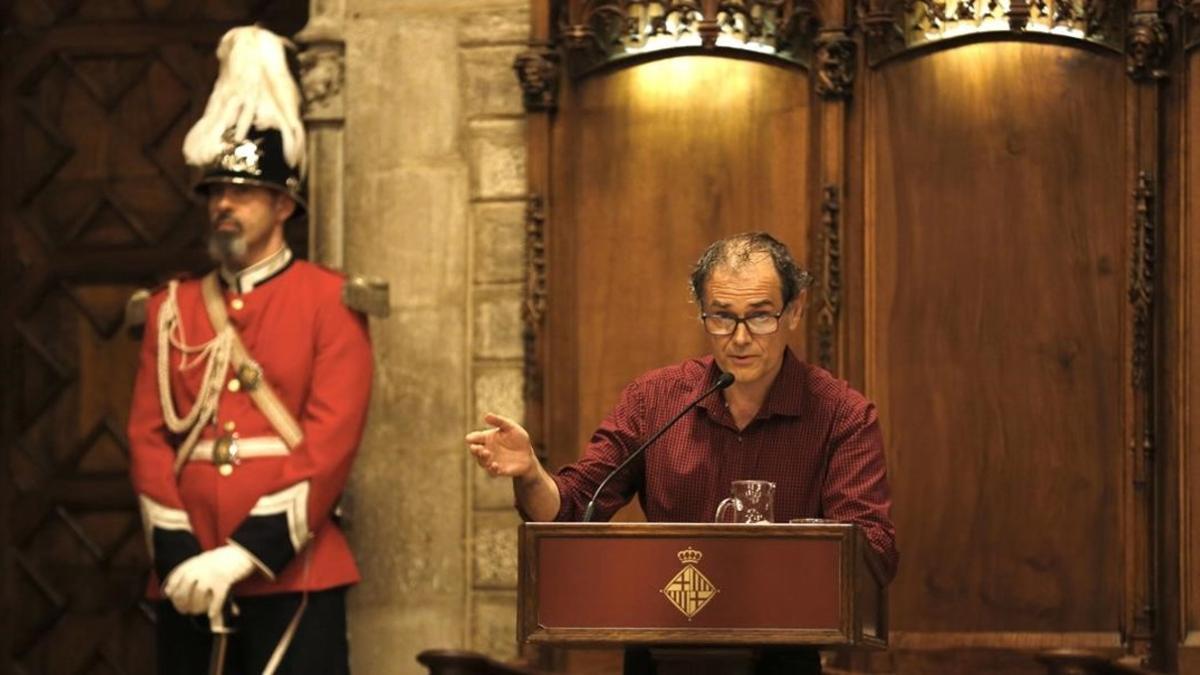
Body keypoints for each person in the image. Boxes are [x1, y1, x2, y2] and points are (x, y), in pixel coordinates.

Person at [466, 232, 897, 675]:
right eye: (722, 318)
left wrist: (798, 553)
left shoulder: (842, 415)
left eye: (761, 317)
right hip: (659, 651)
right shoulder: (654, 400)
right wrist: (532, 473)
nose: (741, 338)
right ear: (702, 312)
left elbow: (875, 550)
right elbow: (575, 509)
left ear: (795, 309)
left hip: (783, 659)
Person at [127, 26, 372, 675]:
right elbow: (149, 439)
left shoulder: (333, 301)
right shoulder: (169, 309)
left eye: (240, 192)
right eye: (214, 193)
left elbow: (329, 443)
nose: (223, 205)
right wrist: (181, 556)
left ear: (284, 202)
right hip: (187, 575)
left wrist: (244, 553)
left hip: (293, 573)